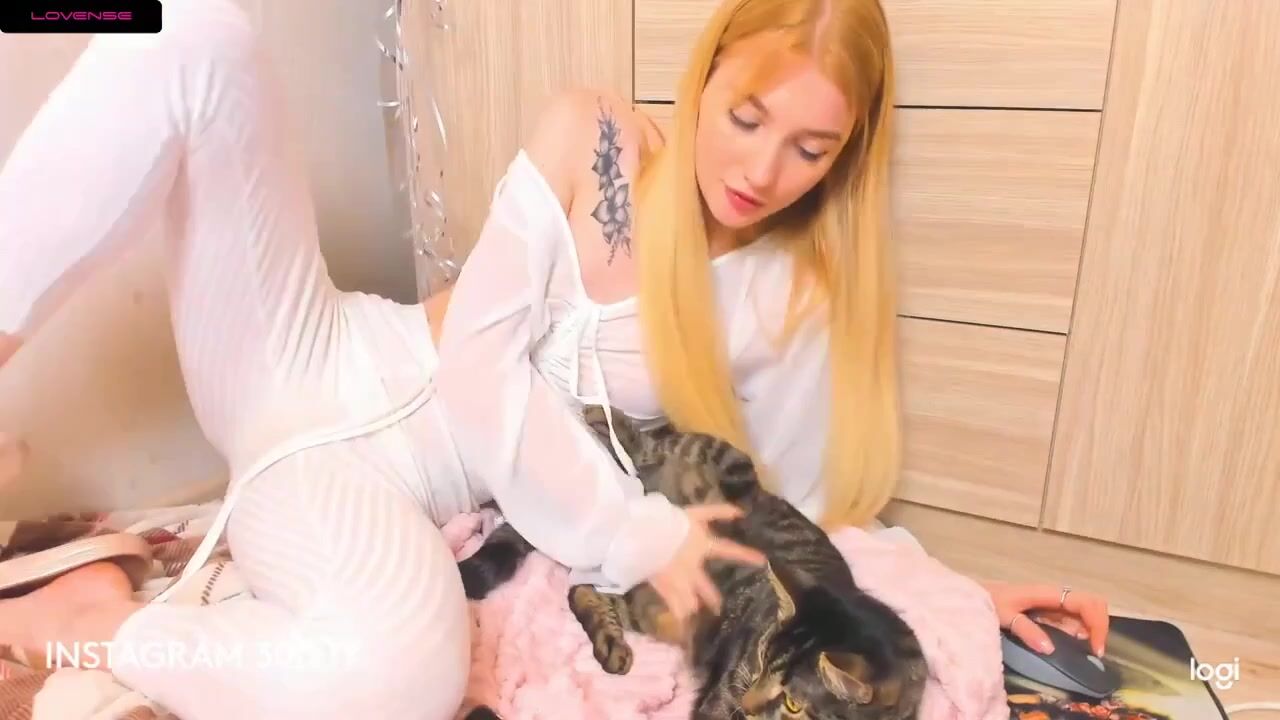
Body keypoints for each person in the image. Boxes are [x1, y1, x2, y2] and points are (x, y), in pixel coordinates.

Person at [0, 0, 1110, 716]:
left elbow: (794, 512)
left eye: (809, 149)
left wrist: (961, 591)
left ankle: (102, 628)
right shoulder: (598, 139)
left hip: (378, 488)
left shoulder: (788, 300)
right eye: (746, 116)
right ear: (710, 67)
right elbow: (478, 363)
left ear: (843, 159)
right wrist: (627, 532)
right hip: (311, 348)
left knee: (403, 677)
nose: (760, 170)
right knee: (193, 29)